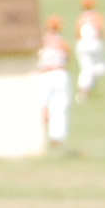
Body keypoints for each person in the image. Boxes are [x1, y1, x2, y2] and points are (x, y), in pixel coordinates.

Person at [33, 16, 72, 151]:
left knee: (41, 105)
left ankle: (38, 134)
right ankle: (57, 138)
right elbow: (68, 57)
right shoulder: (62, 42)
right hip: (60, 73)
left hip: (43, 74)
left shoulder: (40, 41)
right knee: (59, 106)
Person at [74, 0, 105, 97]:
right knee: (99, 67)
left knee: (86, 68)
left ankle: (84, 90)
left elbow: (77, 33)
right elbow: (100, 29)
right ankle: (88, 87)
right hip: (95, 42)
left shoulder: (81, 18)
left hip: (82, 43)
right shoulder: (96, 16)